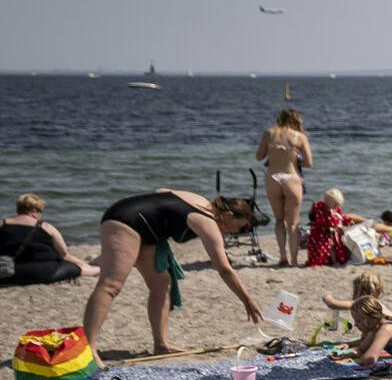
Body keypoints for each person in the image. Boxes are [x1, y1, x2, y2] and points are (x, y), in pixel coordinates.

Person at [81, 190, 264, 354]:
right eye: (241, 227)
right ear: (229, 216)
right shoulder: (208, 221)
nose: (237, 232)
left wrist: (159, 225)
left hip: (145, 228)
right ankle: (89, 348)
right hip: (126, 221)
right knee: (111, 285)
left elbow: (162, 192)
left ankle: (161, 345)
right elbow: (224, 269)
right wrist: (247, 300)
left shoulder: (201, 201)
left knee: (161, 284)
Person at [0, 194, 99, 287]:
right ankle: (98, 269)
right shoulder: (46, 227)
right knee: (75, 268)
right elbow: (65, 255)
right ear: (34, 211)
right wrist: (84, 264)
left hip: (7, 273)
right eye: (40, 211)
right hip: (43, 272)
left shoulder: (2, 224)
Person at [254, 108, 312, 266]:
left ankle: (282, 256)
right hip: (291, 178)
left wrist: (274, 154)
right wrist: (295, 159)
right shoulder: (300, 136)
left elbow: (259, 157)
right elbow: (308, 163)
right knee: (293, 223)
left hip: (273, 178)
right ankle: (294, 260)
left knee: (279, 220)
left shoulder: (269, 133)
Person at [306, 188, 356, 267]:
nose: (337, 206)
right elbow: (324, 221)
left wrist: (349, 221)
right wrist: (334, 217)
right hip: (319, 235)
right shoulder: (319, 208)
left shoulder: (335, 209)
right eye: (336, 204)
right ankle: (324, 261)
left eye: (338, 204)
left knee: (337, 250)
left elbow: (343, 216)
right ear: (328, 202)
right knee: (320, 251)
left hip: (331, 234)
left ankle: (333, 260)